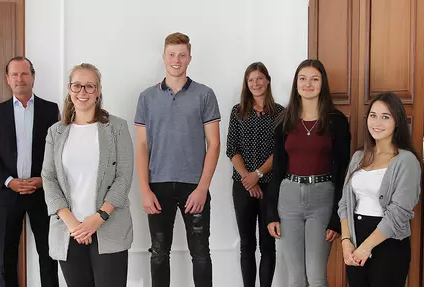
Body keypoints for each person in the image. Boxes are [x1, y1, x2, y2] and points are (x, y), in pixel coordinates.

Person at [134, 32, 221, 287]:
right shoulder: (146, 97)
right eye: (172, 54)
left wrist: (203, 188)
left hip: (194, 186)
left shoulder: (205, 94)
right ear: (163, 57)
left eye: (182, 55)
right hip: (157, 186)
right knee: (159, 253)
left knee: (201, 254)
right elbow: (141, 145)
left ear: (190, 58)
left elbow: (214, 144)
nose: (176, 59)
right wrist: (144, 189)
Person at [42, 63, 134, 287]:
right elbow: (48, 177)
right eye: (77, 85)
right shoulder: (56, 131)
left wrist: (98, 218)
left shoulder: (117, 128)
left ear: (98, 91)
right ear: (69, 89)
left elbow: (124, 176)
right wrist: (73, 224)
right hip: (69, 231)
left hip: (108, 229)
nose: (82, 92)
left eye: (89, 86)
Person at [266, 59, 351, 287]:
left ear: (323, 83)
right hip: (289, 197)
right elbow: (278, 170)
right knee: (294, 278)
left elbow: (344, 169)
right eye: (302, 79)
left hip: (322, 198)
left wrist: (336, 216)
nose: (308, 84)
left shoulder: (336, 121)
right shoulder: (284, 121)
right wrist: (271, 212)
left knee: (316, 276)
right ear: (296, 84)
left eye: (315, 79)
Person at [0, 57, 60, 287]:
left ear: (33, 77)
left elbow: (57, 152)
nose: (20, 79)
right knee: (7, 257)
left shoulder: (50, 109)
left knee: (49, 255)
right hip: (8, 194)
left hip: (43, 194)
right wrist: (9, 181)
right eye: (14, 75)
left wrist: (42, 180)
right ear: (8, 79)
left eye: (24, 74)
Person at [337, 92, 421, 287]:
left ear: (397, 122)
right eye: (373, 115)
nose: (377, 122)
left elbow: (399, 212)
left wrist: (366, 247)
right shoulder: (358, 157)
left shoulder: (406, 161)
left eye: (386, 117)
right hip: (356, 238)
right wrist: (347, 241)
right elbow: (344, 203)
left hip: (388, 242)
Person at [226, 62, 283, 287]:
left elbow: (280, 152)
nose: (255, 83)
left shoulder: (280, 113)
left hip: (270, 186)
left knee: (268, 245)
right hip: (242, 186)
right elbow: (232, 149)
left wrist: (258, 175)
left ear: (267, 80)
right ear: (246, 84)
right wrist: (249, 180)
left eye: (259, 78)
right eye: (251, 80)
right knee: (247, 244)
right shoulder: (238, 112)